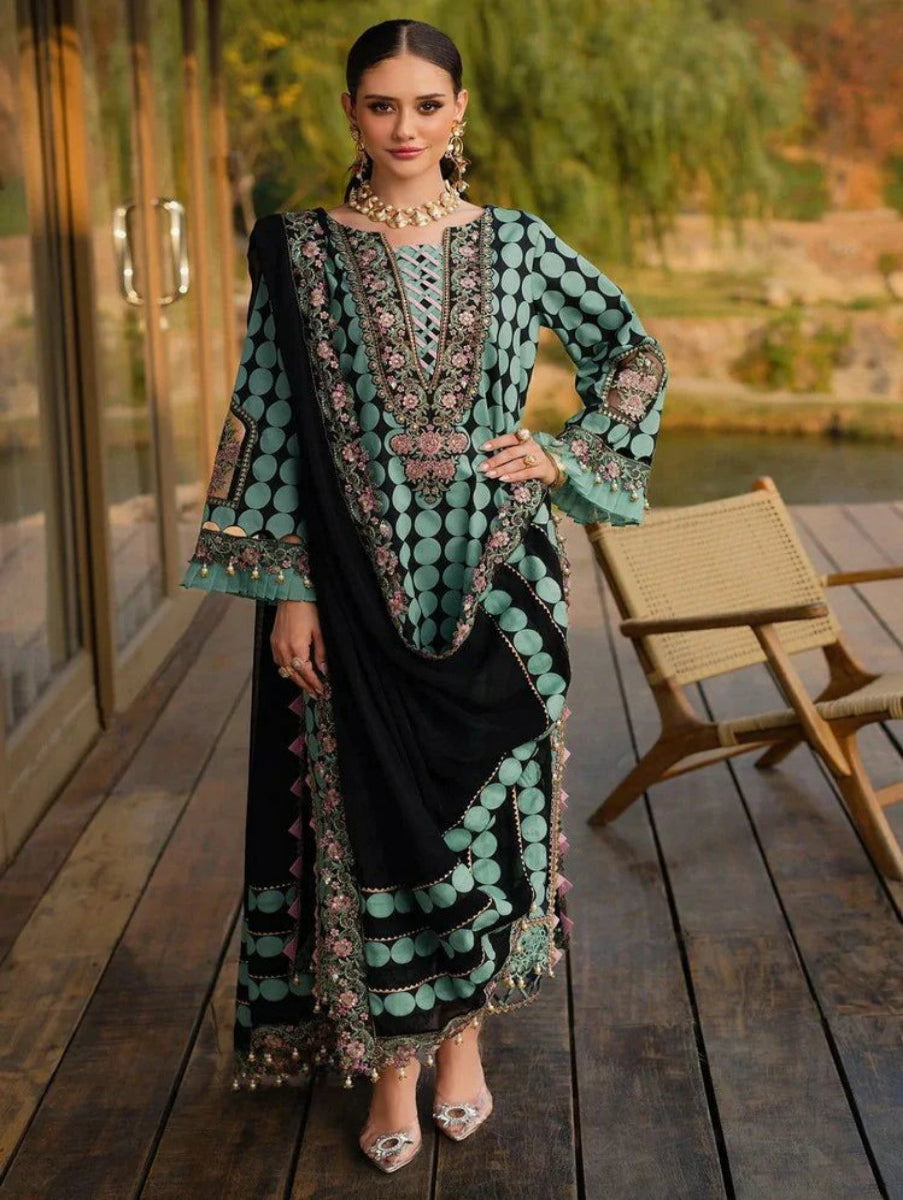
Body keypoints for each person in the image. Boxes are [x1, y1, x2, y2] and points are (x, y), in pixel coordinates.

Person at [180, 17, 668, 1175]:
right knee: (367, 811)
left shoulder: (518, 241)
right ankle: (390, 1061)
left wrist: (564, 453)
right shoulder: (298, 251)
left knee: (490, 814)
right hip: (354, 585)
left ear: (460, 112)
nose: (406, 127)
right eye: (382, 104)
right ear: (352, 113)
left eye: (427, 104)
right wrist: (290, 589)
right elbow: (269, 418)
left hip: (499, 577)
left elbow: (633, 355)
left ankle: (462, 1044)